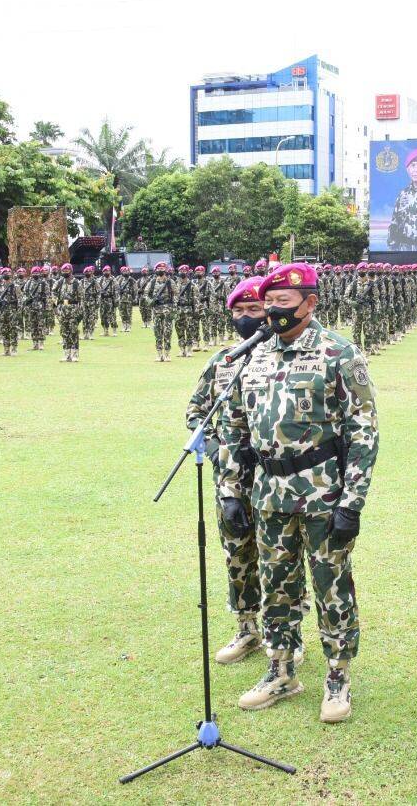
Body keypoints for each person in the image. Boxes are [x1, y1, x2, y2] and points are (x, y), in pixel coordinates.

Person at [217, 262, 378, 724]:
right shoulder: (256, 354)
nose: (272, 312)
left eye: (283, 304)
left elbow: (363, 431)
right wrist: (231, 489)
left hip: (322, 492)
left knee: (331, 583)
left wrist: (353, 501)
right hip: (268, 491)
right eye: (268, 304)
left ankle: (337, 676)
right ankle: (281, 669)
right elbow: (233, 425)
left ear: (311, 302)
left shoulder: (339, 354)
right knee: (277, 586)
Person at [185, 275, 278, 665]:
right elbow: (196, 412)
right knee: (238, 554)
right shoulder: (223, 362)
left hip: (277, 479)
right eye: (238, 312)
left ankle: (284, 633)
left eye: (252, 310)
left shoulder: (284, 357)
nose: (245, 318)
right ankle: (246, 629)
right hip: (230, 482)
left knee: (278, 557)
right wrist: (218, 452)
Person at [143, 261, 176, 361]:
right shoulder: (152, 282)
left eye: (162, 269)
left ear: (165, 270)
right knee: (158, 332)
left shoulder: (171, 282)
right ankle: (159, 354)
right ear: (156, 270)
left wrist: (174, 309)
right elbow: (145, 295)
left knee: (167, 332)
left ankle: (167, 354)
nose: (161, 270)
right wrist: (151, 301)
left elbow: (176, 296)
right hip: (156, 310)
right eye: (159, 269)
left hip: (167, 310)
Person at [53, 262, 83, 362]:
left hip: (73, 310)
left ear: (71, 271)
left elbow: (81, 298)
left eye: (67, 271)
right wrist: (55, 305)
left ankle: (75, 354)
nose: (65, 272)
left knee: (73, 332)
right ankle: (66, 354)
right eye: (63, 271)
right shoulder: (59, 282)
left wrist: (80, 312)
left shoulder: (76, 283)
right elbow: (53, 293)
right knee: (64, 333)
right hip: (62, 311)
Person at [0, 268, 21, 356]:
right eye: (5, 273)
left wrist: (18, 311)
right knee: (3, 330)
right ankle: (6, 350)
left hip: (12, 310)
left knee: (13, 329)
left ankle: (14, 349)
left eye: (9, 272)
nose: (7, 274)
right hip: (1, 311)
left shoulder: (15, 286)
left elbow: (20, 299)